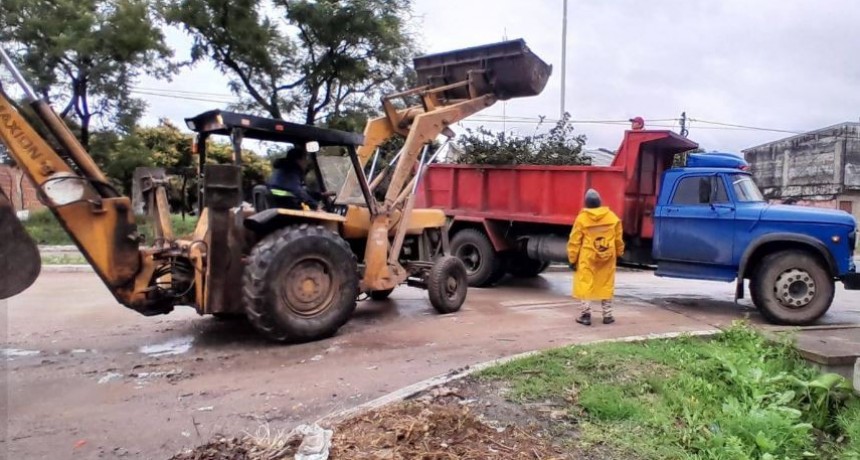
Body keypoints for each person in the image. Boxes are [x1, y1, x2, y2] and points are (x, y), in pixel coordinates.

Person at [566, 189, 625, 326]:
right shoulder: (612, 218)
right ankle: (608, 315)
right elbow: (618, 240)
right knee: (606, 283)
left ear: (586, 204)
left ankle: (585, 315)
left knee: (585, 283)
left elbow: (574, 241)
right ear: (600, 202)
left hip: (588, 257)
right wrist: (619, 253)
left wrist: (572, 259)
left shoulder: (582, 219)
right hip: (608, 256)